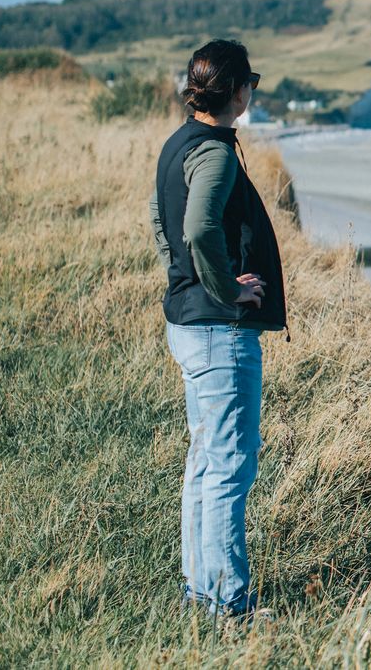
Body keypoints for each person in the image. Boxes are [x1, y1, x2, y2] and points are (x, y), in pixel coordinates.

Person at [148, 38, 288, 619]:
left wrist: (182, 275)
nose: (251, 90)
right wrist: (225, 287)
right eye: (249, 81)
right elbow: (199, 226)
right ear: (236, 91)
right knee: (230, 464)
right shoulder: (215, 152)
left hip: (191, 322)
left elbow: (162, 221)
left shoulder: (179, 141)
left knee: (206, 462)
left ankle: (201, 592)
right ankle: (229, 605)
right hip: (218, 331)